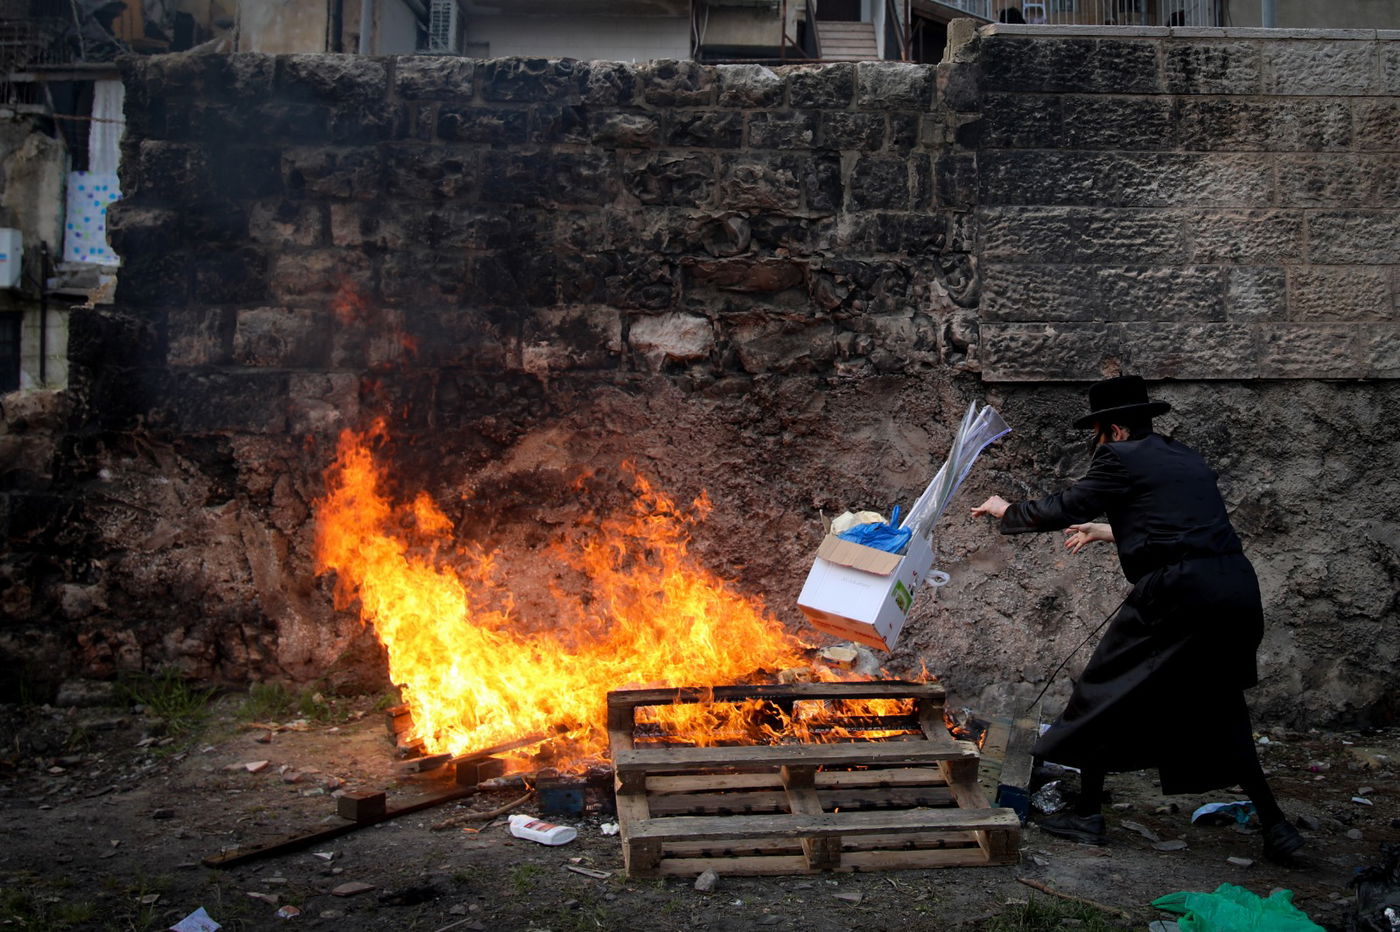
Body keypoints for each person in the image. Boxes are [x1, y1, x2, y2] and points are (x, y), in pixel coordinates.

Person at [970, 376, 1305, 864]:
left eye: (1099, 434)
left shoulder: (1119, 457)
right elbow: (1175, 523)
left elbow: (1063, 506)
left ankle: (1086, 816)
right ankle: (1277, 826)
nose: (1098, 444)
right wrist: (1108, 533)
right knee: (1220, 706)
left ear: (1115, 430)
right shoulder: (1185, 457)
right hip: (1233, 588)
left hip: (1178, 595)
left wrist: (1006, 509)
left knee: (1102, 692)